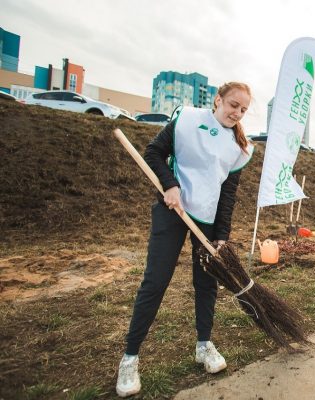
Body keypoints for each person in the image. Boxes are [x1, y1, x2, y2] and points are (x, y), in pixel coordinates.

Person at [115, 82, 254, 397]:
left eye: (243, 109)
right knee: (156, 280)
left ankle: (204, 345)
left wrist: (221, 237)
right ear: (218, 100)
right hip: (172, 209)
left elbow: (227, 194)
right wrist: (170, 185)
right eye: (233, 104)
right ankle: (130, 358)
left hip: (205, 218)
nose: (237, 112)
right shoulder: (188, 120)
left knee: (206, 283)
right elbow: (153, 152)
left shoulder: (239, 146)